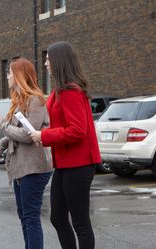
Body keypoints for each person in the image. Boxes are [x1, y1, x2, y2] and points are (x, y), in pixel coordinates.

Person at [30, 41, 102, 249]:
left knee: (80, 222)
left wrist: (43, 135)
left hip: (79, 164)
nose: (45, 64)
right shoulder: (59, 91)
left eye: (47, 59)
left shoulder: (71, 91)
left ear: (58, 62)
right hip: (64, 164)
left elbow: (78, 131)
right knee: (57, 217)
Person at [0, 58, 53, 249]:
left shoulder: (35, 100)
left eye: (10, 72)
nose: (7, 75)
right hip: (20, 167)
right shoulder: (18, 101)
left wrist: (2, 124)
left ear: (19, 75)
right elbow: (13, 136)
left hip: (34, 167)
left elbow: (28, 135)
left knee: (30, 217)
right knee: (24, 216)